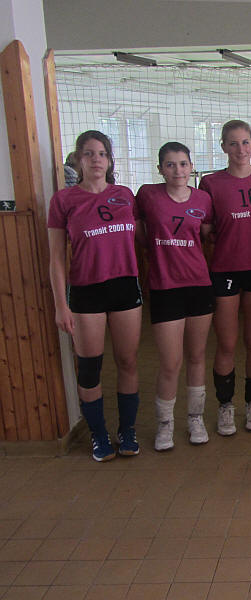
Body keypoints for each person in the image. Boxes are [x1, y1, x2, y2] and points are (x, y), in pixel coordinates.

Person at [47, 130, 142, 461]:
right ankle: (99, 434)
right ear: (78, 159)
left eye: (102, 154)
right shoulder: (64, 200)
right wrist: (61, 305)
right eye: (89, 153)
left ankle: (127, 431)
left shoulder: (125, 195)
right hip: (86, 291)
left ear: (110, 160)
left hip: (125, 287)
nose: (96, 159)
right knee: (90, 367)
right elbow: (56, 259)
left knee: (128, 361)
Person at [135, 142, 213, 451]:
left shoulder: (203, 198)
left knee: (196, 356)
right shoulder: (147, 195)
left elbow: (205, 235)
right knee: (170, 362)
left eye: (183, 164)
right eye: (170, 164)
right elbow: (141, 234)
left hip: (198, 285)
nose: (177, 170)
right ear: (160, 169)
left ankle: (195, 418)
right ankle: (165, 425)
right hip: (165, 287)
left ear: (191, 167)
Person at [199, 120, 251, 436]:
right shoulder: (211, 182)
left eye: (245, 142)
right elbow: (205, 229)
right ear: (223, 147)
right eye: (233, 143)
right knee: (227, 343)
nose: (240, 149)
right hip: (226, 269)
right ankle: (226, 405)